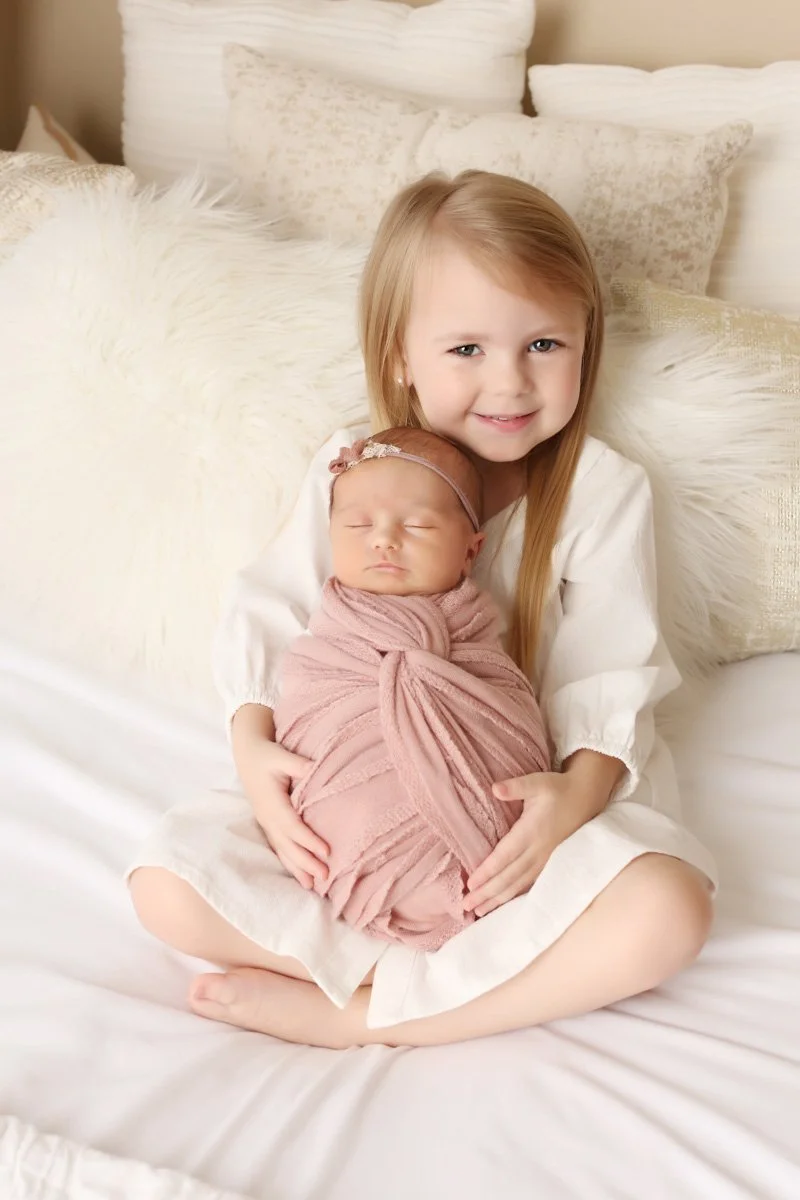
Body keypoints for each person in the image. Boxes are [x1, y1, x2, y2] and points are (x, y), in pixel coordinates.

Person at [128, 169, 717, 1049]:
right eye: (467, 350)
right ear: (402, 355)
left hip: (530, 822)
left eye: (545, 345)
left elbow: (607, 672)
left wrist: (568, 804)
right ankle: (451, 982)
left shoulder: (600, 490)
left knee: (669, 911)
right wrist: (255, 755)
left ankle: (367, 1017)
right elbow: (274, 611)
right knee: (165, 885)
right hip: (355, 803)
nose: (512, 384)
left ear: (587, 341)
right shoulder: (349, 469)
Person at [275, 426, 550, 951]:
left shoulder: (475, 640)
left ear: (472, 552)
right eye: (358, 524)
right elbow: (302, 707)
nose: (384, 539)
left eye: (418, 525)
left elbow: (513, 723)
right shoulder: (326, 643)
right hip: (338, 866)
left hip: (487, 869)